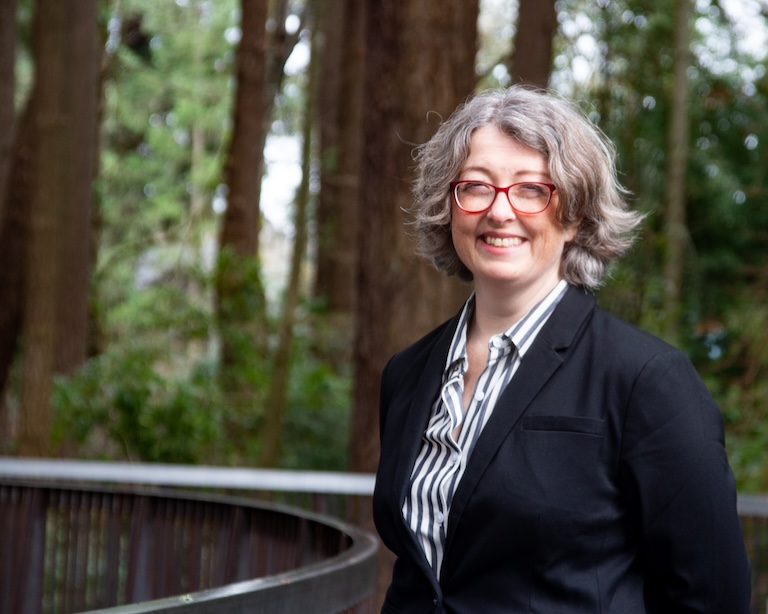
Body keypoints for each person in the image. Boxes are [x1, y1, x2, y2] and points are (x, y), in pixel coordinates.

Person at [371, 85, 751, 613]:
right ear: (449, 206)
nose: (500, 211)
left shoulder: (646, 379)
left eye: (532, 189)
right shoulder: (407, 375)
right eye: (477, 186)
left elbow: (713, 598)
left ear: (573, 215)